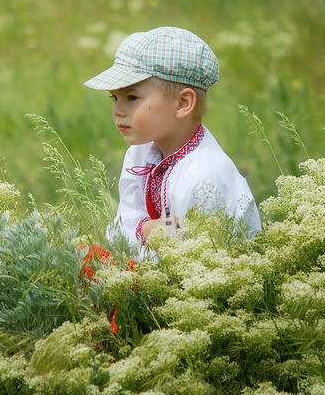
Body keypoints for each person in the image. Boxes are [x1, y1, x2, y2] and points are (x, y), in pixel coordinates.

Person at [84, 26, 261, 256]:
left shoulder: (204, 175)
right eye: (115, 98)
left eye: (131, 97)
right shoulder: (141, 152)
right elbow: (121, 229)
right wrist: (147, 229)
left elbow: (191, 258)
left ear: (182, 103)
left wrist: (149, 233)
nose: (118, 110)